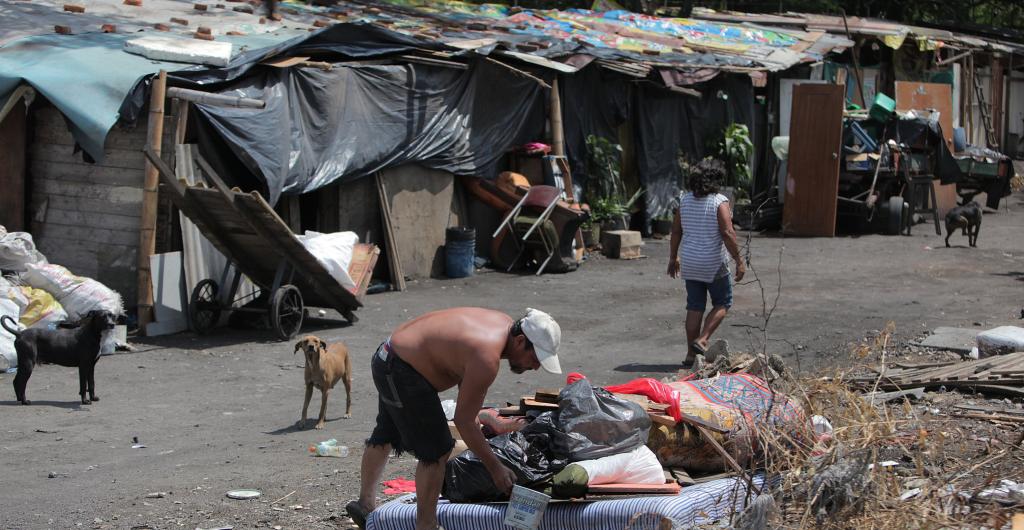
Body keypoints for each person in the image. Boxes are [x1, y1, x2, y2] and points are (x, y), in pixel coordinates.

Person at [346, 307, 562, 530]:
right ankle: (426, 525)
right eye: (535, 358)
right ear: (519, 341)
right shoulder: (487, 358)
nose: (535, 367)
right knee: (437, 449)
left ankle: (364, 504)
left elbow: (462, 364)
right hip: (402, 370)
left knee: (387, 430)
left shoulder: (501, 324)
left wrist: (476, 421)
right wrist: (495, 468)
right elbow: (463, 422)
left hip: (388, 355)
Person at [667, 158, 745, 366]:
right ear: (717, 179)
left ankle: (690, 356)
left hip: (690, 262)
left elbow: (676, 231)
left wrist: (673, 257)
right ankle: (702, 340)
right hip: (713, 263)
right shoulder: (719, 201)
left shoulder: (684, 200)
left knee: (694, 307)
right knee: (723, 301)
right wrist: (739, 260)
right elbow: (728, 233)